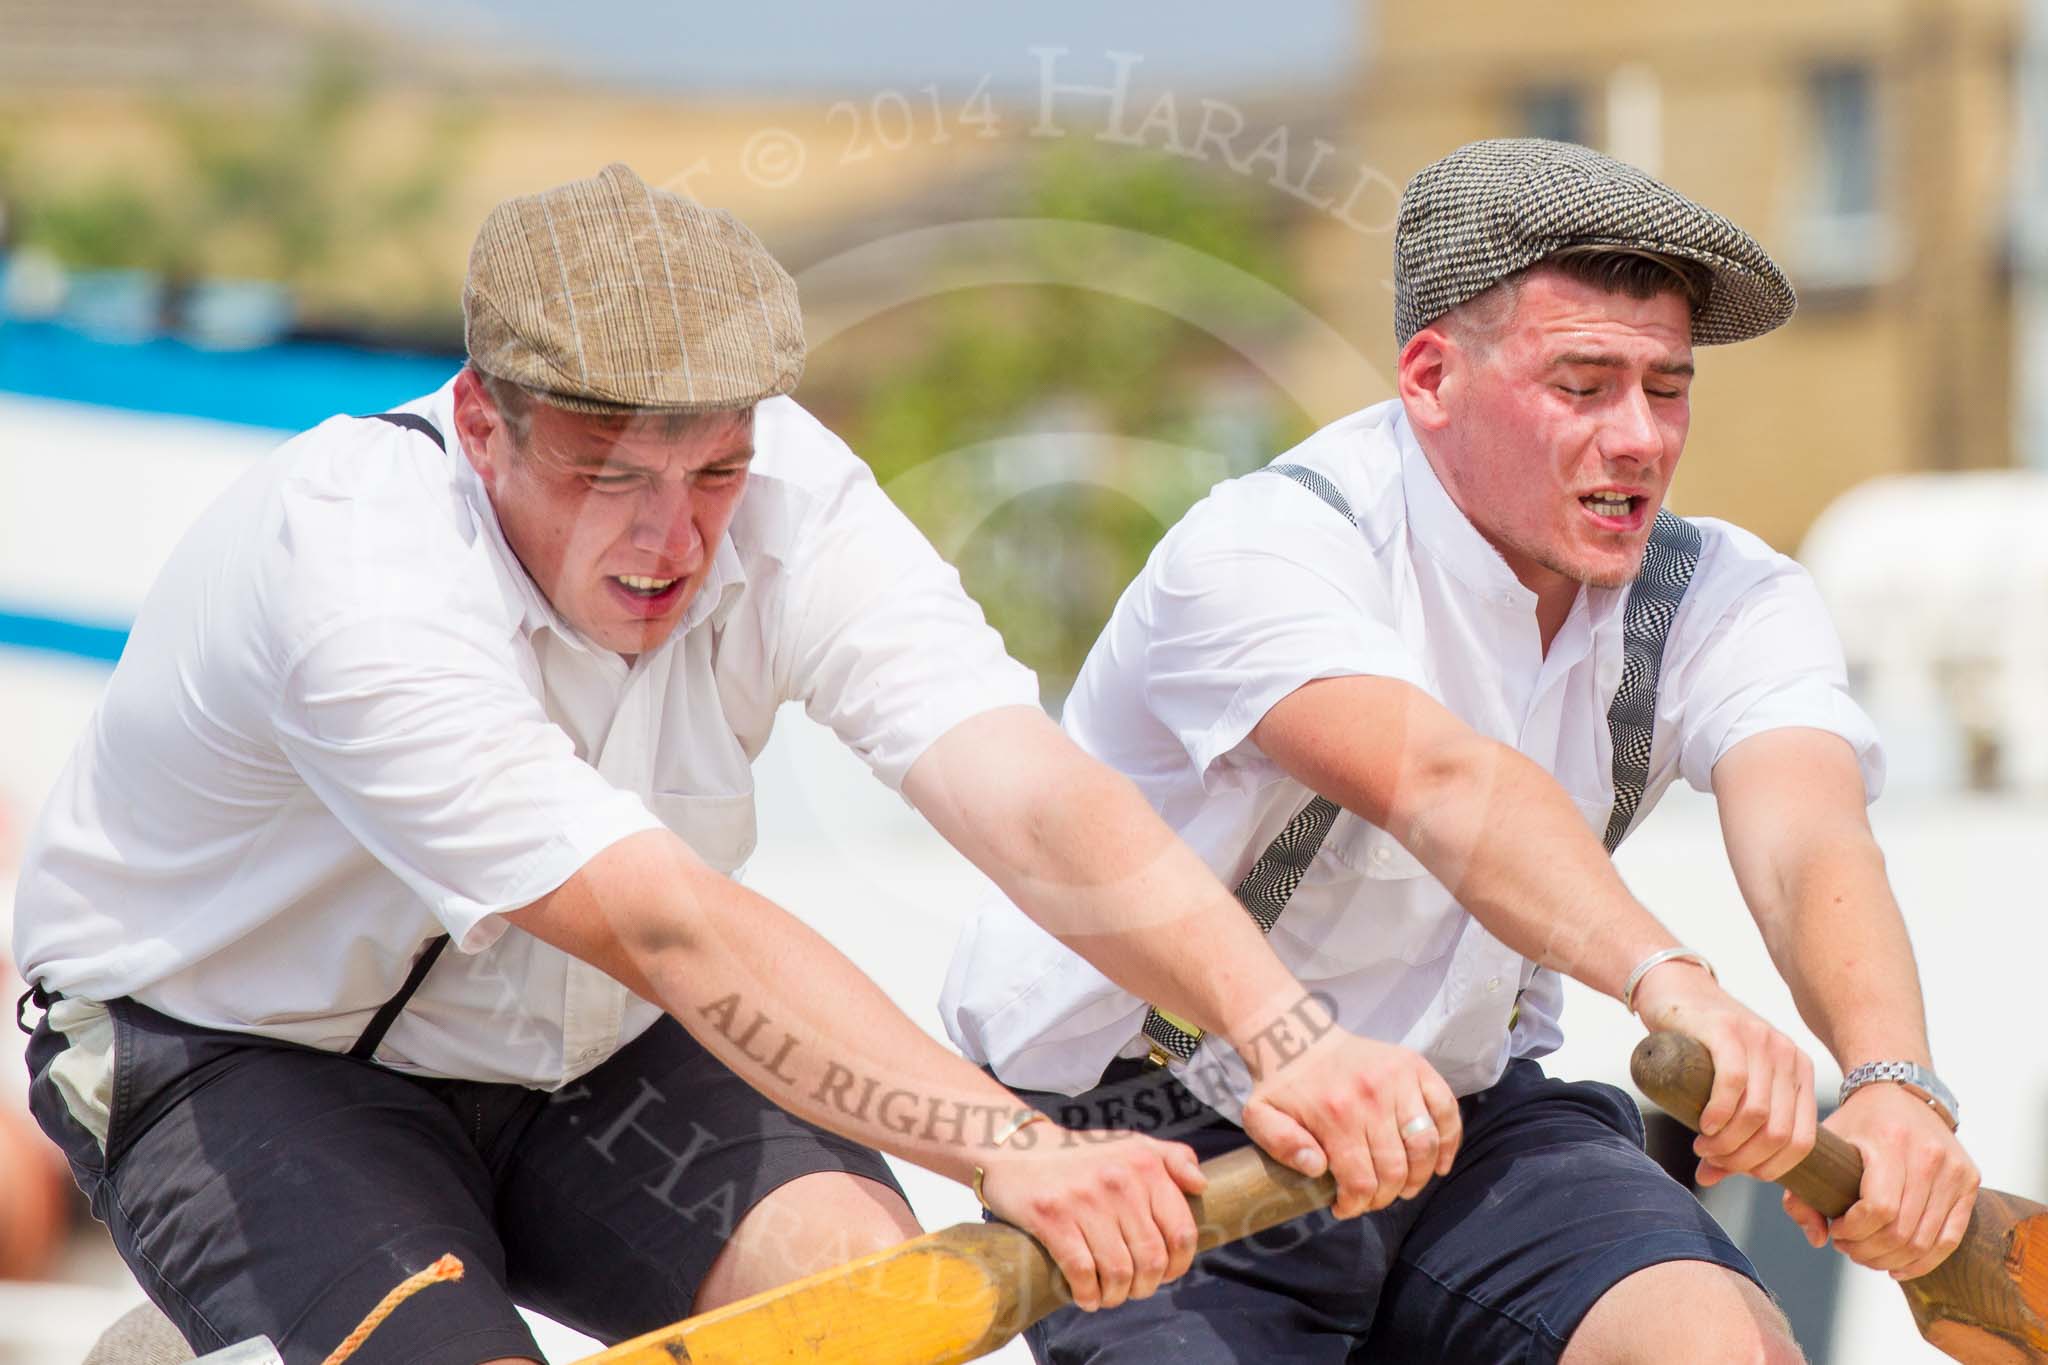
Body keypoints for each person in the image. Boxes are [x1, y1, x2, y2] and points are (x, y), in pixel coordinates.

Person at [17, 163, 1455, 1365]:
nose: (671, 540)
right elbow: (663, 921)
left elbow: (1023, 789)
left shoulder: (797, 493)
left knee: (878, 1307)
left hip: (583, 1046)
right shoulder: (349, 569)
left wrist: (1287, 1035)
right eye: (609, 473)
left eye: (711, 471)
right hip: (236, 1053)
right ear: (476, 423)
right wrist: (1003, 1142)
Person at [943, 138, 1980, 1364]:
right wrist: (1672, 984)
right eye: (1583, 384)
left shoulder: (1722, 591)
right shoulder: (1267, 547)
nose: (1640, 438)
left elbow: (1807, 832)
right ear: (1429, 377)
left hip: (1464, 1118)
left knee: (1722, 1347)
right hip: (1151, 1127)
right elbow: (1438, 784)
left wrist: (1893, 1081)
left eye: (1667, 386)